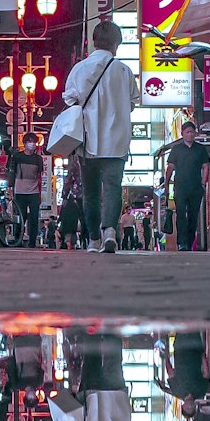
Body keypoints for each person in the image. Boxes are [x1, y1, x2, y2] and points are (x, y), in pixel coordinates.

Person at [62, 18, 137, 253]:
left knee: (91, 192)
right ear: (117, 43)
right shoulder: (124, 71)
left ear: (93, 42)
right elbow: (133, 102)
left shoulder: (80, 69)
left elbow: (70, 100)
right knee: (113, 187)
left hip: (88, 140)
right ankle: (110, 232)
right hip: (116, 140)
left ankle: (94, 239)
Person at [163, 121, 210, 251]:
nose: (190, 135)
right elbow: (170, 167)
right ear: (182, 133)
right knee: (181, 214)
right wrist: (166, 184)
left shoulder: (200, 149)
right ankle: (181, 243)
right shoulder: (176, 149)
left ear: (195, 134)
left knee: (193, 216)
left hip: (196, 187)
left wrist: (203, 182)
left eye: (192, 132)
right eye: (187, 132)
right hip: (180, 187)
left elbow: (206, 166)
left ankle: (189, 242)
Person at [8, 131, 43, 248]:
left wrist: (40, 193)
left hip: (34, 192)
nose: (32, 144)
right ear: (25, 143)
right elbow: (12, 172)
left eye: (34, 142)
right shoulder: (17, 157)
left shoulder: (38, 159)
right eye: (30, 142)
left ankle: (32, 242)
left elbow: (39, 177)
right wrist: (10, 188)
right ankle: (18, 239)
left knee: (34, 218)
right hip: (20, 191)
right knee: (20, 217)